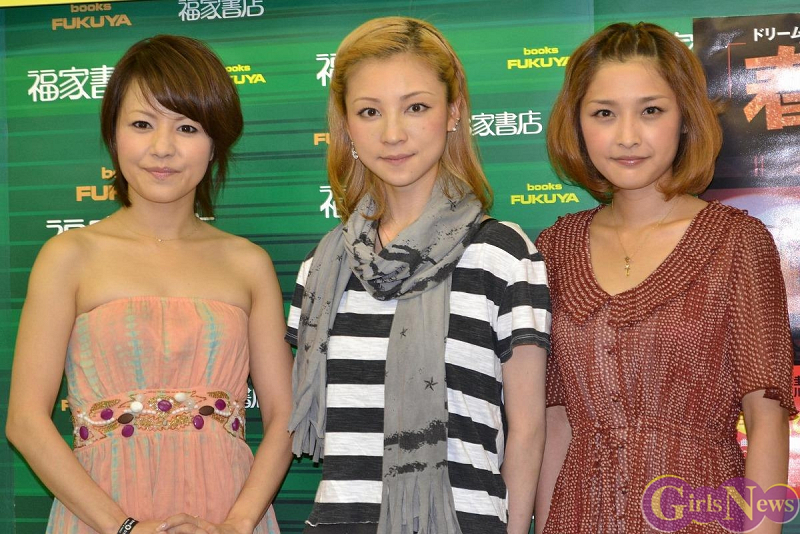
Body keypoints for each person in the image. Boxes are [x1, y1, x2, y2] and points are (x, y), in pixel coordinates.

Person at [6, 35, 293, 534]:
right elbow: (25, 422)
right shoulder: (69, 257)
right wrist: (124, 527)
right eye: (142, 124)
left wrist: (238, 523)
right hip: (100, 517)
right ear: (114, 135)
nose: (163, 148)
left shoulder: (248, 264)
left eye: (187, 127)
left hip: (224, 516)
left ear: (215, 143)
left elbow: (286, 417)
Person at [286, 16, 550, 534]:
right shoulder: (324, 267)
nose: (392, 134)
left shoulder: (501, 255)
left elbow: (528, 430)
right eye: (370, 111)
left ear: (453, 112)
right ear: (346, 125)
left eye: (416, 107)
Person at [533, 22, 795, 534]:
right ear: (577, 125)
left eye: (651, 110)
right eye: (604, 113)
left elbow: (766, 418)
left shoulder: (737, 242)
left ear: (686, 118)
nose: (627, 136)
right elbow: (557, 421)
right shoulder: (555, 248)